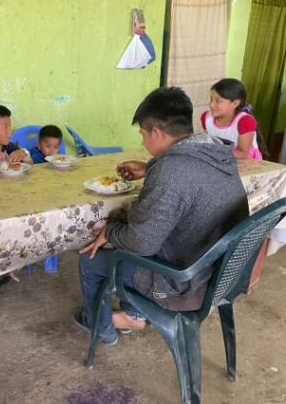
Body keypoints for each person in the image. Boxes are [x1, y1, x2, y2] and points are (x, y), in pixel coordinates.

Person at [74, 87, 249, 346]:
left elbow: (142, 243)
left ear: (156, 132)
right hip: (224, 272)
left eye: (143, 135)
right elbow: (188, 182)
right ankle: (133, 314)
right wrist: (150, 167)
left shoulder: (170, 172)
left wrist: (110, 231)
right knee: (141, 231)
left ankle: (101, 327)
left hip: (186, 281)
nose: (144, 143)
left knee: (91, 261)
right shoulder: (216, 152)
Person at [201, 78, 263, 160]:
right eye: (211, 99)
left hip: (247, 163)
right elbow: (209, 141)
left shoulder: (245, 121)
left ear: (235, 103)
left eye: (218, 101)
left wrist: (212, 153)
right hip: (221, 160)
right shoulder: (205, 117)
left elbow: (243, 154)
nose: (211, 105)